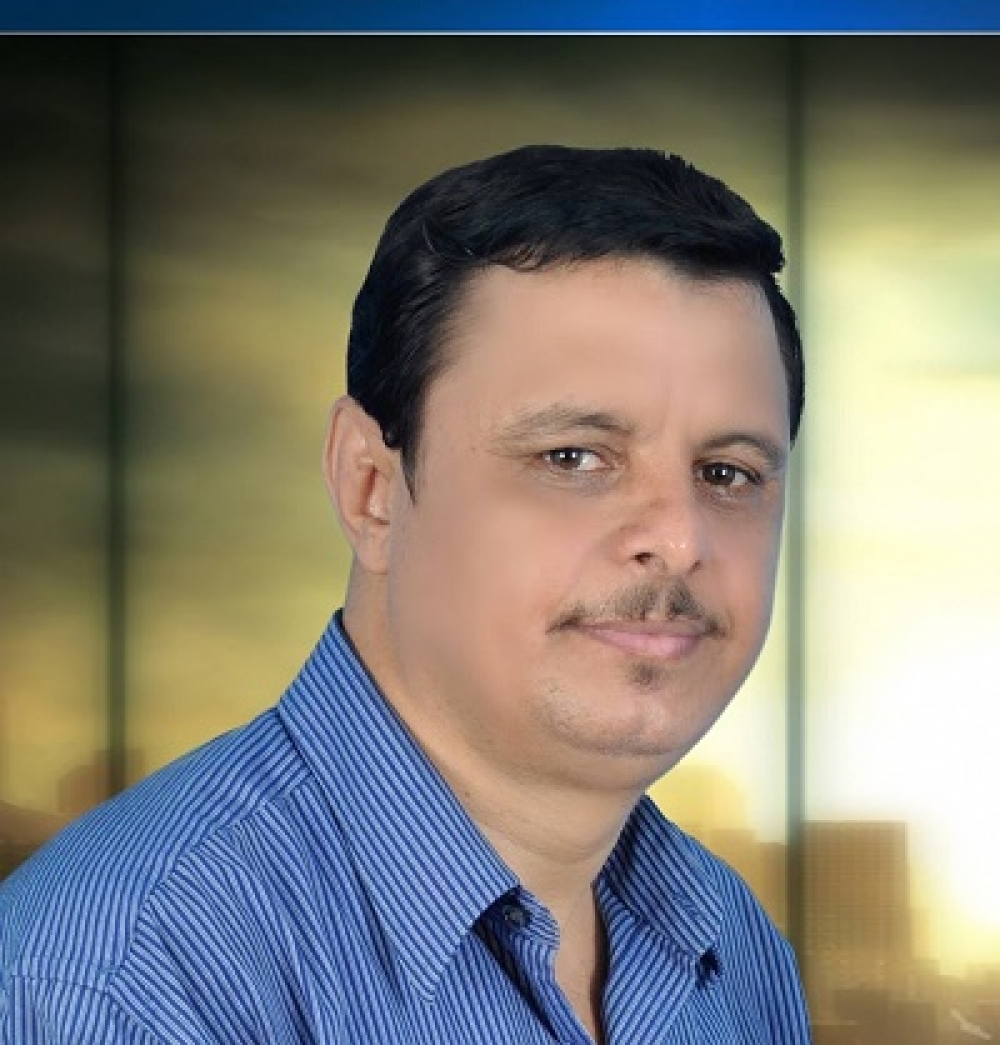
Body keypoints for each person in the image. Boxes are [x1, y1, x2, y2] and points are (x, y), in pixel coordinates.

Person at [0, 145, 810, 1043]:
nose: (683, 538)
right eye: (573, 457)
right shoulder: (126, 979)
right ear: (372, 490)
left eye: (728, 473)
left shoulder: (735, 950)